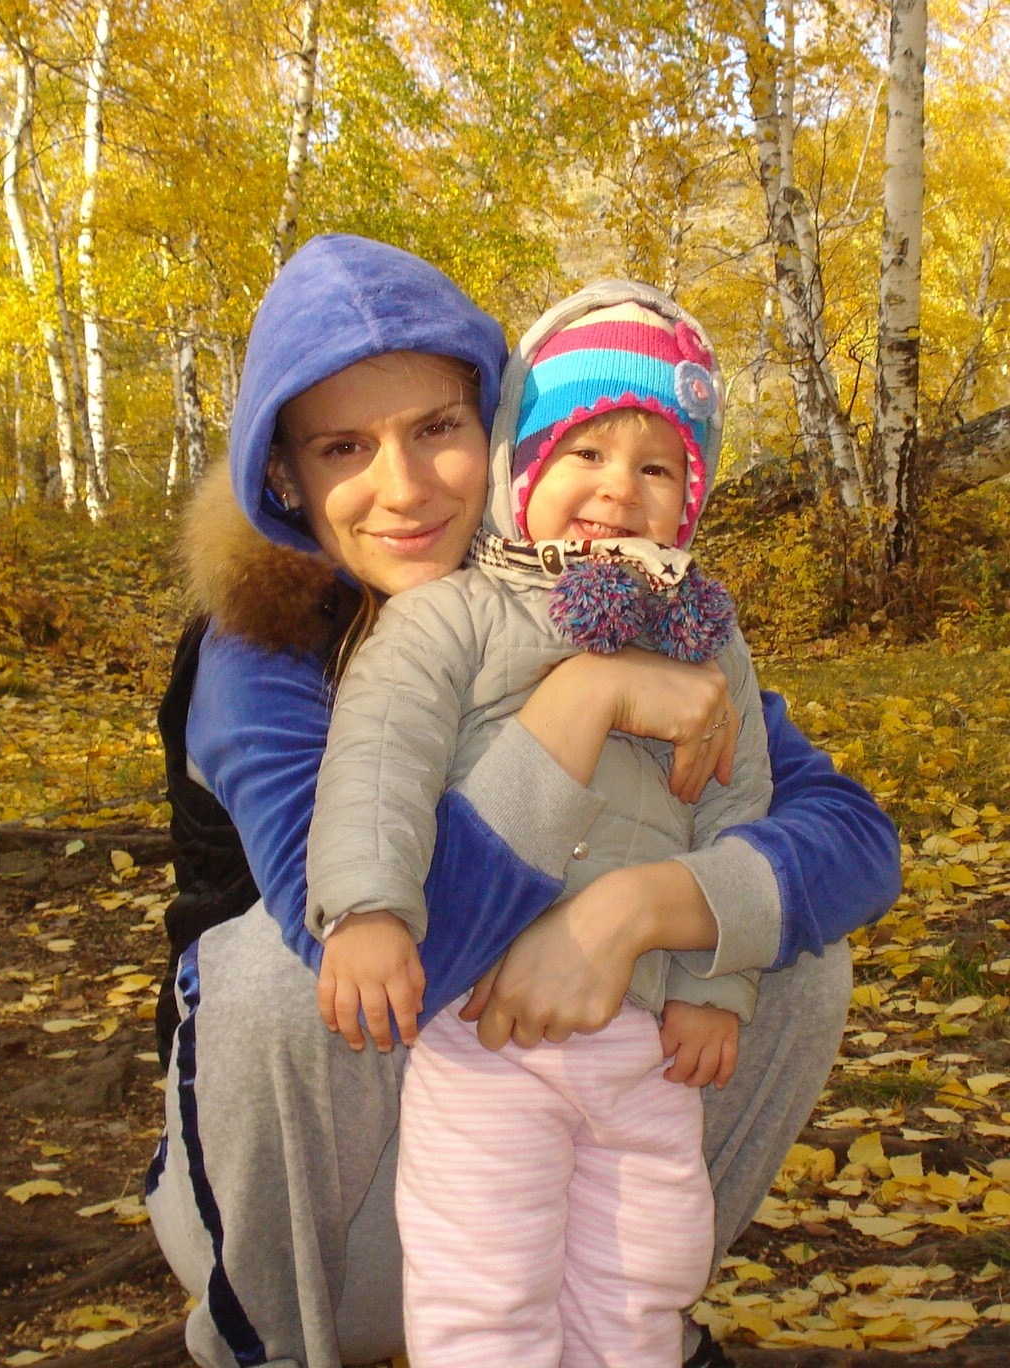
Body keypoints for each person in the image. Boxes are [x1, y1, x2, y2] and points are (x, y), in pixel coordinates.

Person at [145, 233, 902, 1368]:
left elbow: (854, 837)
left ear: (499, 431)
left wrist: (638, 911)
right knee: (281, 971)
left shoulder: (590, 586)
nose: (404, 488)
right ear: (287, 477)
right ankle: (270, 1343)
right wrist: (581, 703)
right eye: (344, 447)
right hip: (337, 1219)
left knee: (787, 940)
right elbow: (393, 945)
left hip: (569, 1153)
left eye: (436, 429)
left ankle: (628, 1314)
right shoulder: (260, 652)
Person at [300, 285, 774, 1367]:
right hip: (487, 1039)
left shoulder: (707, 640)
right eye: (586, 453)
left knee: (645, 1273)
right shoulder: (452, 618)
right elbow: (377, 764)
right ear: (522, 465)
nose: (617, 488)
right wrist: (368, 910)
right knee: (486, 1283)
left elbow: (740, 807)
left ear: (692, 497)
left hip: (644, 1043)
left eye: (657, 468)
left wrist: (717, 986)